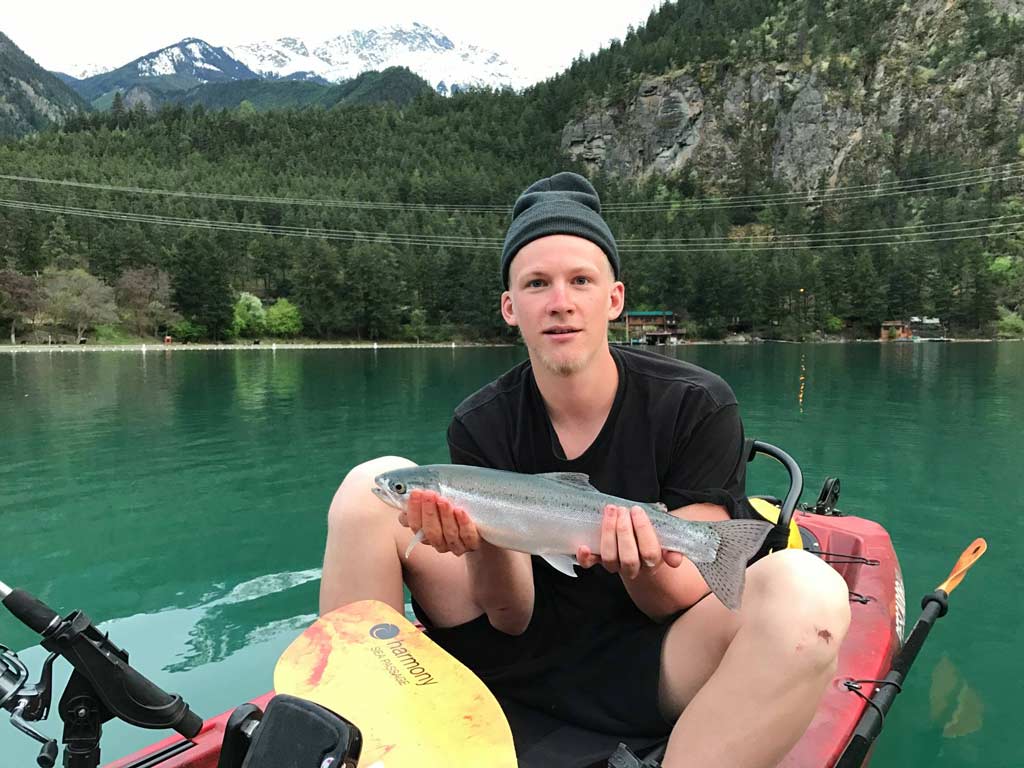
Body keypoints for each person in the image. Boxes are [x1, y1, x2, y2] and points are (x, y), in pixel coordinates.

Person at [319, 172, 851, 768]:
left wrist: (637, 564)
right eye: (537, 283)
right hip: (507, 654)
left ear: (614, 298)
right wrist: (479, 543)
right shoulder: (481, 420)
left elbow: (671, 600)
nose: (560, 301)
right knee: (368, 487)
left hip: (650, 662)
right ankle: (352, 741)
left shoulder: (697, 403)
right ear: (509, 307)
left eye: (580, 280)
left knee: (810, 591)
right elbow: (510, 616)